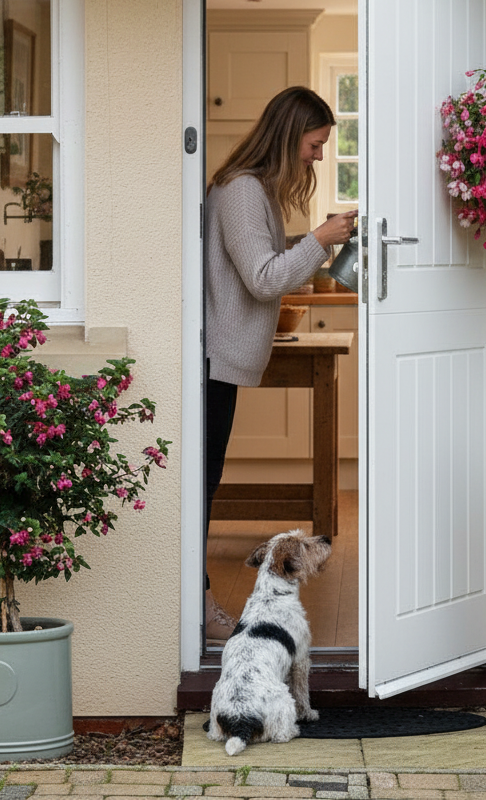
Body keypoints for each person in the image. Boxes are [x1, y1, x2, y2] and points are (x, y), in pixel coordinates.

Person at [203, 85, 357, 641]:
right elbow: (264, 277)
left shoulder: (252, 189)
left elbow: (259, 252)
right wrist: (318, 239)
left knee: (207, 479)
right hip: (215, 358)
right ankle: (198, 610)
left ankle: (196, 605)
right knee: (204, 482)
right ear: (290, 136)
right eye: (315, 144)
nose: (318, 155)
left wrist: (316, 238)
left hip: (223, 357)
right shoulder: (242, 190)